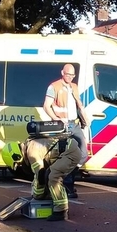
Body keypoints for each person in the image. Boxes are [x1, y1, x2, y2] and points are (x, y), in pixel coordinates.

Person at [0, 122, 83, 221]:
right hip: (66, 150)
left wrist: (37, 195)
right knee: (49, 174)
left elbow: (40, 175)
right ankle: (53, 197)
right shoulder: (29, 144)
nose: (20, 166)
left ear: (17, 156)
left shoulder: (31, 153)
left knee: (53, 176)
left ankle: (61, 211)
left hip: (70, 153)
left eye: (18, 164)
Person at [44, 64, 88, 198]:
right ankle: (67, 186)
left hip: (75, 124)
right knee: (68, 154)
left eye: (72, 75)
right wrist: (56, 118)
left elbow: (78, 105)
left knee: (83, 154)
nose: (70, 77)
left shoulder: (74, 86)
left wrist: (85, 119)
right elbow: (46, 106)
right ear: (62, 72)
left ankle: (66, 179)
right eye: (68, 74)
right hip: (63, 125)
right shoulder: (54, 86)